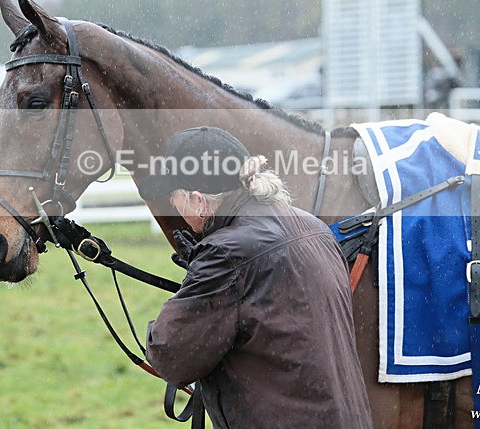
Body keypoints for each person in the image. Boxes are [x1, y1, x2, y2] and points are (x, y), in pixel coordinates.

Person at [136, 126, 373, 429]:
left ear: (198, 200)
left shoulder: (226, 254)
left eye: (175, 197)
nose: (173, 206)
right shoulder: (314, 228)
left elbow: (170, 355)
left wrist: (194, 287)